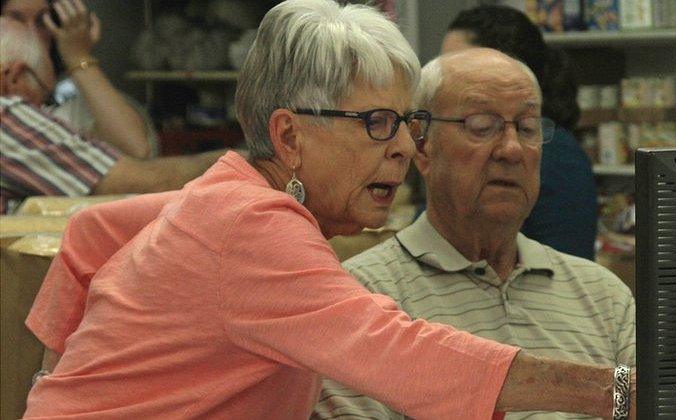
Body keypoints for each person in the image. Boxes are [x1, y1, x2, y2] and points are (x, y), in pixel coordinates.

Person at [21, 1, 635, 418]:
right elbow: (400, 355)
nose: (402, 145)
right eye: (376, 123)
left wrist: (54, 387)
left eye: (405, 122)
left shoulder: (221, 196)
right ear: (288, 137)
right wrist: (620, 394)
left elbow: (89, 229)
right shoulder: (249, 224)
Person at [315, 48, 635, 420]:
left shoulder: (603, 296)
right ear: (422, 147)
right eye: (483, 127)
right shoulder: (362, 297)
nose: (512, 149)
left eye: (528, 128)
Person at [0, 16, 218, 213]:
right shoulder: (7, 115)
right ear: (14, 78)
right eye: (45, 96)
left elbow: (135, 148)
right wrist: (239, 159)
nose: (42, 111)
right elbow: (144, 178)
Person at [440, 5, 598, 260]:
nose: (442, 76)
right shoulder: (448, 137)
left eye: (458, 64)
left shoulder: (555, 155)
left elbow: (564, 267)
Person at [3, 0, 156, 158]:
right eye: (16, 19)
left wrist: (78, 57)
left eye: (42, 21)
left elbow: (137, 150)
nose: (31, 30)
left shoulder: (73, 106)